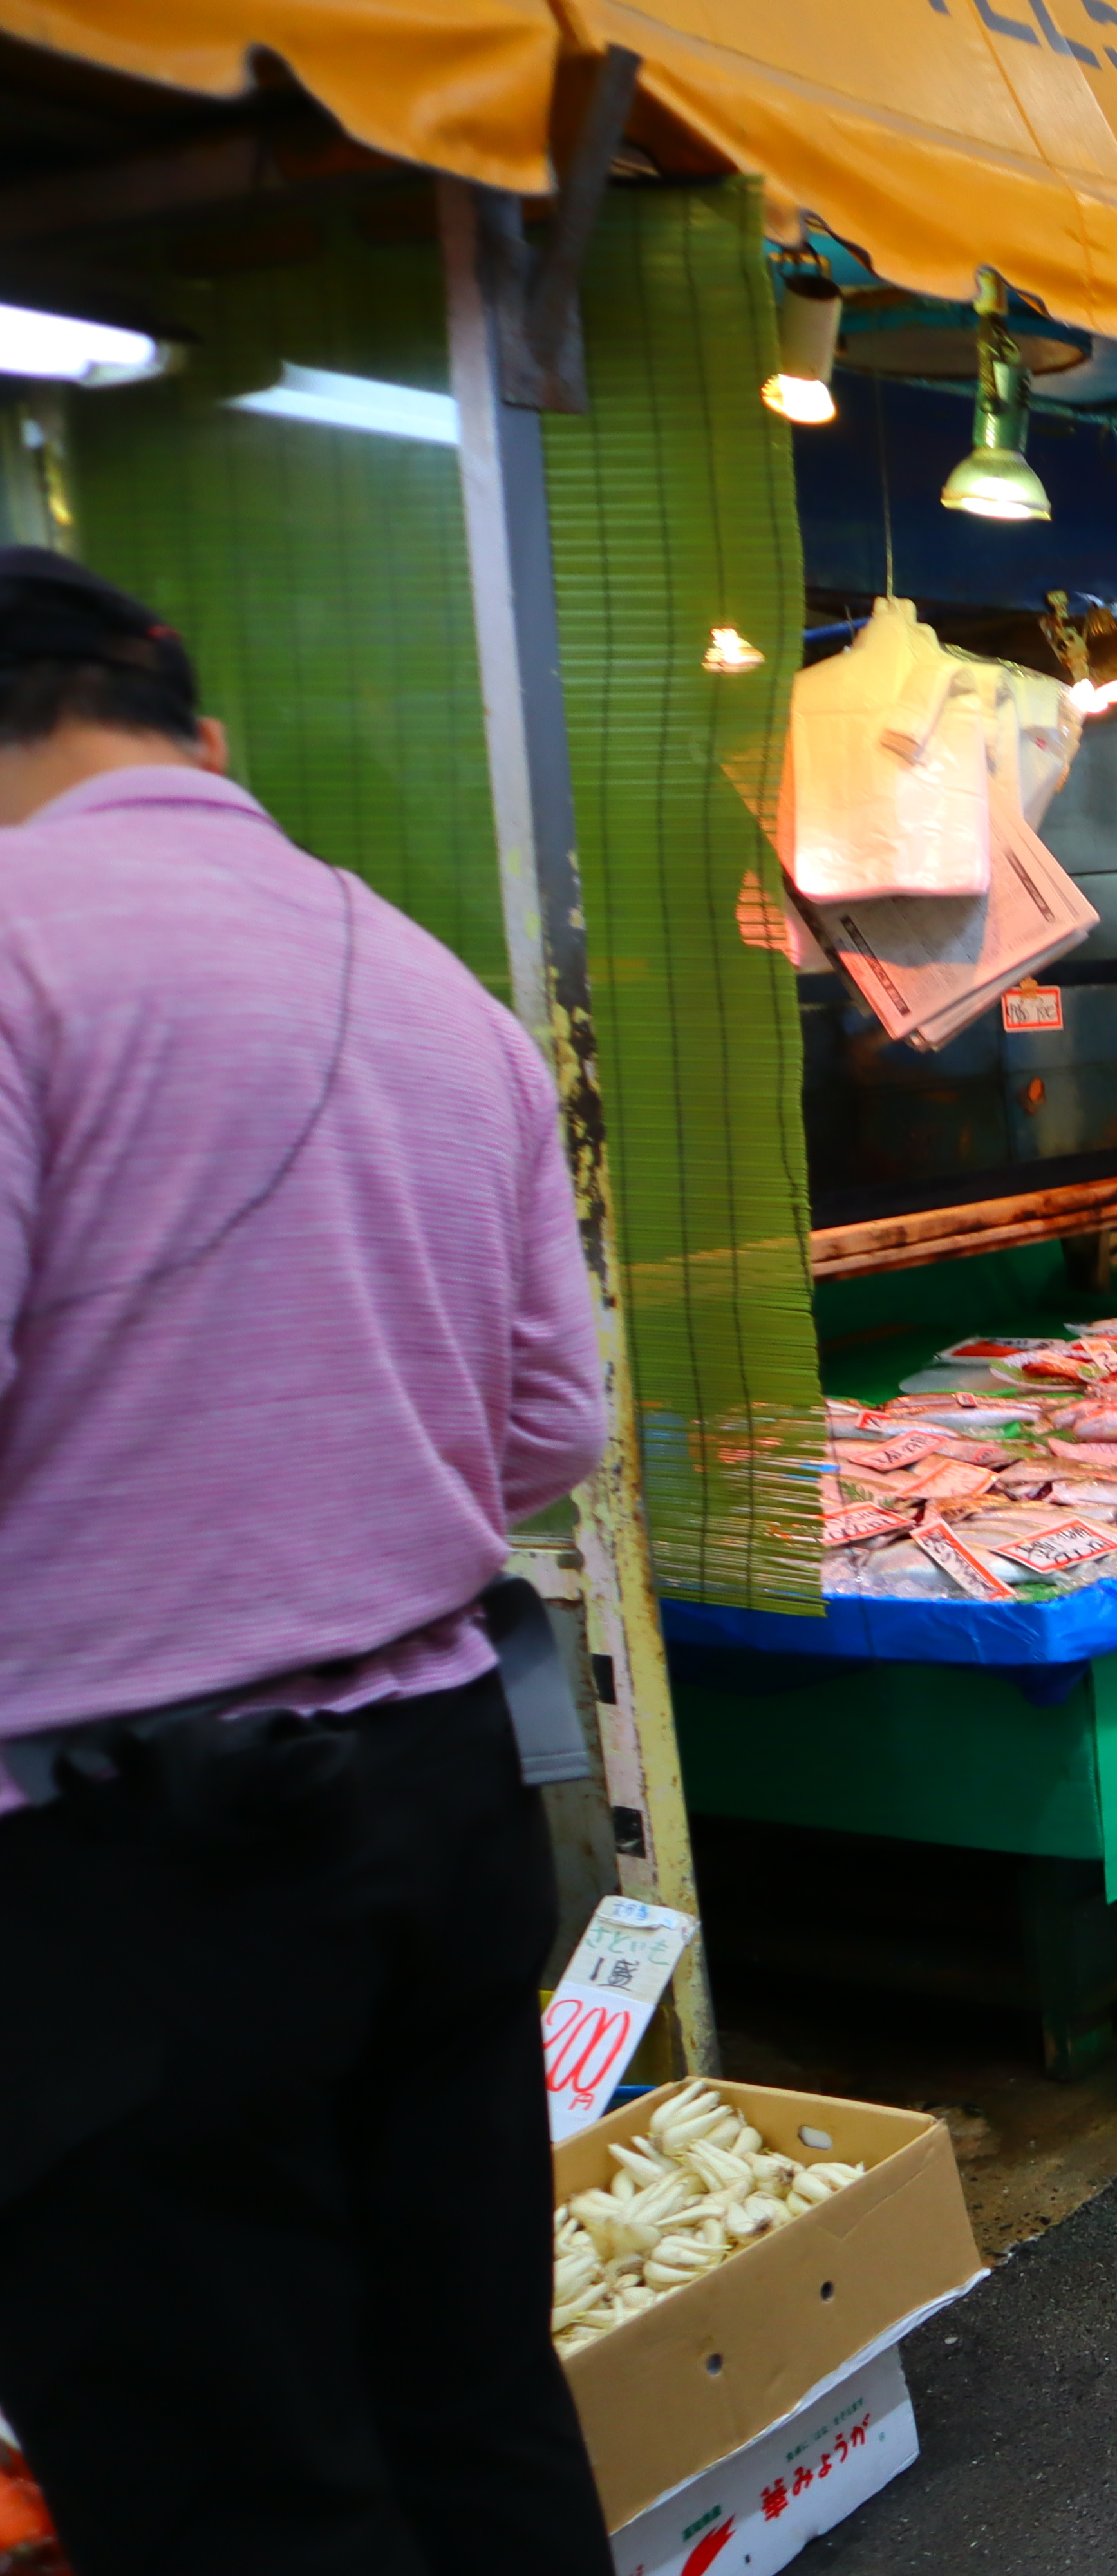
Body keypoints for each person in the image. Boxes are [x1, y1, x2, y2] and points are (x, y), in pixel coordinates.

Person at [0, 552, 616, 2571]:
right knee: (471, 2402)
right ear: (206, 738)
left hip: (127, 1860)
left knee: (231, 2483)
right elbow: (551, 1432)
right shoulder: (433, 974)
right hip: (443, 1801)